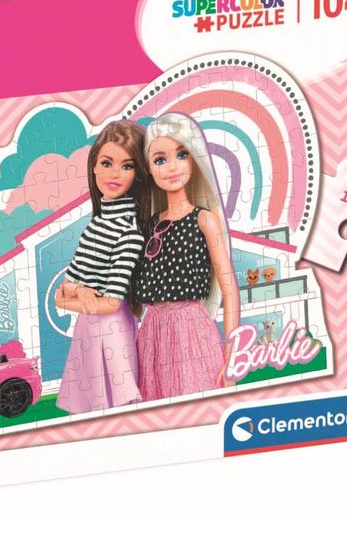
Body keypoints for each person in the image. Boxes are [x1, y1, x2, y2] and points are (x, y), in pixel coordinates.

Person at [134, 113, 240, 401]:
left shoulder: (204, 220)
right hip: (152, 333)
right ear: (149, 168)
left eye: (182, 155)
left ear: (195, 159)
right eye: (160, 159)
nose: (171, 167)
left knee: (196, 398)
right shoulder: (150, 225)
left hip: (191, 329)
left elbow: (229, 290)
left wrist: (232, 352)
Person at [55, 120, 149, 413]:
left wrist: (79, 294)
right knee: (90, 409)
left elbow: (109, 303)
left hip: (112, 329)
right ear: (94, 165)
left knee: (117, 406)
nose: (114, 173)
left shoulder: (129, 231)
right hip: (88, 326)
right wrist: (82, 293)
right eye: (107, 163)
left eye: (127, 166)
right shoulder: (95, 225)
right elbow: (62, 292)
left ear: (138, 173)